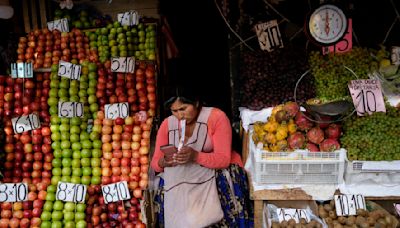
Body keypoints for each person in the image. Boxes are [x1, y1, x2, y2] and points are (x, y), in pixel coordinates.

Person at [150, 85, 254, 228]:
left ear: (196, 103)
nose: (180, 115)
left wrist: (195, 156)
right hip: (186, 174)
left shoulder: (216, 117)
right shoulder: (167, 125)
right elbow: (155, 164)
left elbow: (223, 159)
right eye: (174, 111)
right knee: (163, 185)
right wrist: (164, 162)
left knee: (224, 179)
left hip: (215, 169)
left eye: (183, 109)